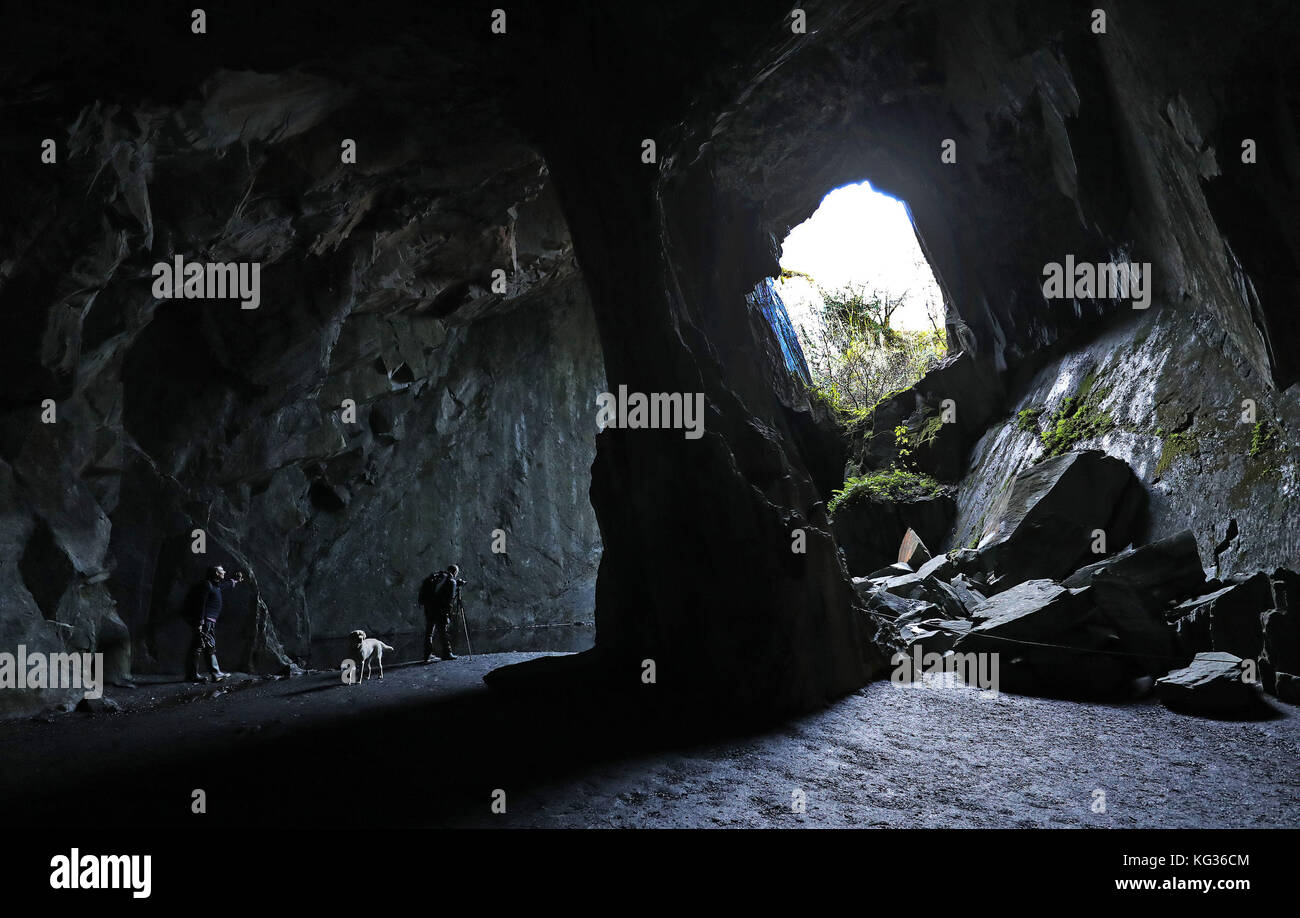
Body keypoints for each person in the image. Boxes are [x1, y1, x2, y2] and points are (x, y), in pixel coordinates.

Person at [187, 564, 245, 683]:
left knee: (201, 646)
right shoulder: (207, 585)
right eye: (221, 570)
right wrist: (200, 622)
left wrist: (235, 581)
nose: (224, 571)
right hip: (206, 621)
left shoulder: (214, 586)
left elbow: (224, 586)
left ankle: (197, 674)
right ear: (216, 573)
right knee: (207, 646)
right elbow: (201, 604)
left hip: (209, 621)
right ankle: (214, 674)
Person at [419, 564, 463, 662]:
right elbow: (449, 600)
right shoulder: (451, 582)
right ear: (455, 572)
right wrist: (448, 614)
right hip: (440, 611)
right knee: (443, 632)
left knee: (429, 632)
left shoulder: (437, 578)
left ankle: (427, 655)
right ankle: (447, 653)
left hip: (429, 608)